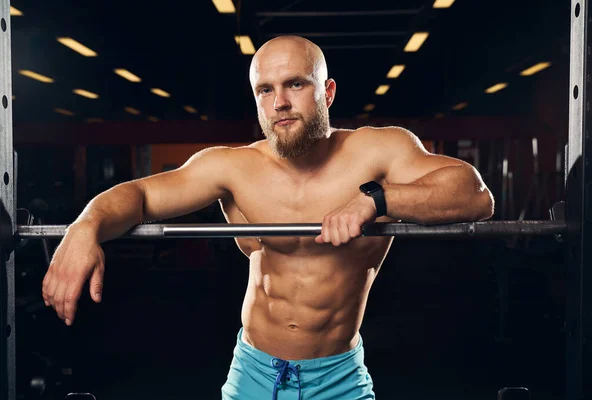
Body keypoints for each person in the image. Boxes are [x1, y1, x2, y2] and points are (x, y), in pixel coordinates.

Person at [42, 36, 494, 399]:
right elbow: (139, 195)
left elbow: (474, 195)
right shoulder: (232, 167)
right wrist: (86, 228)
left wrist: (375, 201)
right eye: (266, 89)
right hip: (254, 373)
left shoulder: (378, 151)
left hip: (338, 375)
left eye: (295, 84)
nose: (280, 102)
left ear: (328, 92)